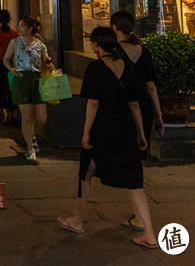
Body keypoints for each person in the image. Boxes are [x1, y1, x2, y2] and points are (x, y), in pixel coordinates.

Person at [58, 27, 158, 249]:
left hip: (102, 129)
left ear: (96, 45)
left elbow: (93, 103)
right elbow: (134, 104)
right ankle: (149, 233)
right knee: (135, 181)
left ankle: (77, 220)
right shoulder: (126, 67)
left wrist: (85, 131)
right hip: (125, 129)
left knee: (86, 173)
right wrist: (140, 133)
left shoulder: (94, 68)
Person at [112, 10, 165, 171]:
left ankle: (128, 180)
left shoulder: (113, 53)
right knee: (139, 149)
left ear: (114, 28)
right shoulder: (144, 52)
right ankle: (134, 177)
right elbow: (151, 86)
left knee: (121, 146)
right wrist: (158, 113)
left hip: (120, 104)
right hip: (144, 105)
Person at [3, 17, 51, 162]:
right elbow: (6, 59)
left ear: (30, 28)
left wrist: (49, 66)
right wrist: (11, 70)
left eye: (22, 26)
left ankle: (33, 136)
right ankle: (30, 149)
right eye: (19, 25)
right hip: (21, 78)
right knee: (27, 116)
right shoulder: (15, 42)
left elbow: (46, 61)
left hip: (37, 80)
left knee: (42, 118)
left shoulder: (40, 45)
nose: (19, 28)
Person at [0, 10, 18, 125]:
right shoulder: (14, 34)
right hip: (11, 64)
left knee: (1, 89)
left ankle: (5, 112)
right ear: (10, 19)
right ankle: (11, 112)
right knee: (11, 88)